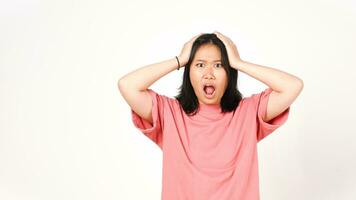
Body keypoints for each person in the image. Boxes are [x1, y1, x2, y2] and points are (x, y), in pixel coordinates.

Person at [118, 31, 303, 200]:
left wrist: (239, 63)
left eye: (218, 65)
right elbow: (128, 85)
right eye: (199, 65)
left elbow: (292, 86)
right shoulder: (170, 113)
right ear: (188, 72)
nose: (209, 74)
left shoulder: (248, 112)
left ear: (229, 73)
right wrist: (180, 59)